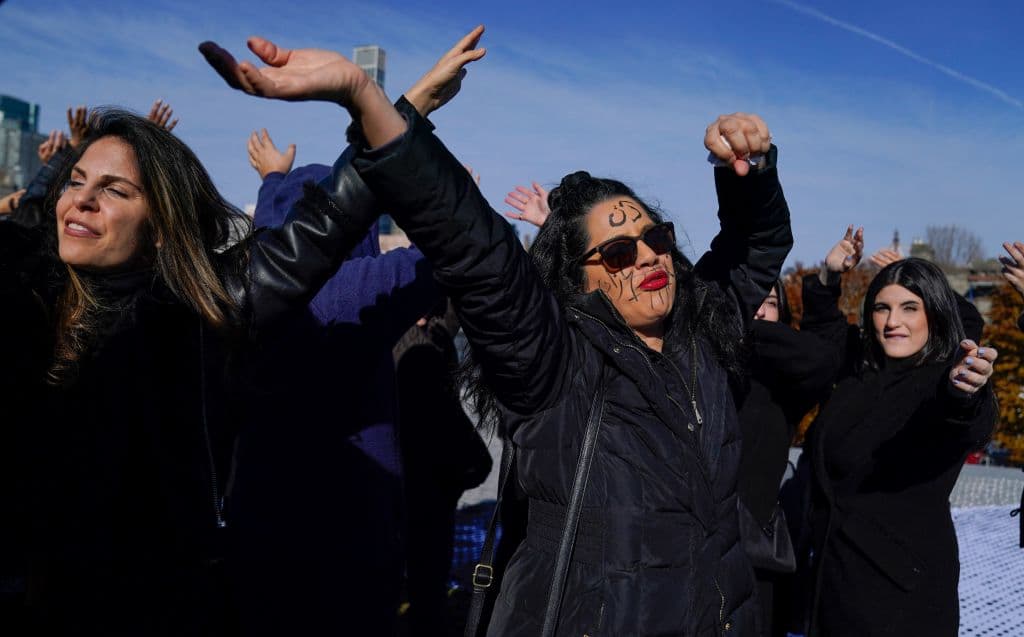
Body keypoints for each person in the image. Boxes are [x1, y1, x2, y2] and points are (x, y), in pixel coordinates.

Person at [202, 25, 793, 635]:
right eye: (617, 252)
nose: (647, 256)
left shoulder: (702, 334)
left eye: (657, 238)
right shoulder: (556, 365)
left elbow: (756, 247)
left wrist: (750, 173)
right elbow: (473, 246)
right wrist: (368, 98)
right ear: (579, 279)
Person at [0, 75, 397, 632]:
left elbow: (319, 231)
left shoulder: (194, 317)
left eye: (115, 190)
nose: (83, 199)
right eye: (77, 180)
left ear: (161, 225)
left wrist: (378, 102)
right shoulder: (21, 296)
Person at [798, 240, 997, 636]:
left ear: (935, 315)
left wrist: (964, 394)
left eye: (911, 308)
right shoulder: (860, 370)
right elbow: (825, 332)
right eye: (882, 307)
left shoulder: (940, 378)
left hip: (902, 598)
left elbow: (965, 418)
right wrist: (829, 276)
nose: (893, 321)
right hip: (833, 582)